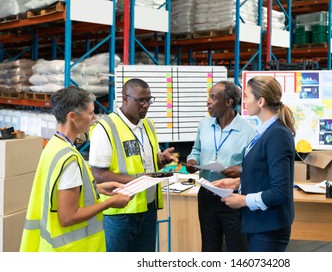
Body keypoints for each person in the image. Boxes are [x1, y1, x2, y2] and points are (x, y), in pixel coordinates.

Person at [20, 86, 132, 252]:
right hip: (73, 248)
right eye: (90, 113)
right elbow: (68, 217)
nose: (94, 118)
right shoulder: (70, 159)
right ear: (72, 116)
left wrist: (98, 188)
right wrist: (110, 203)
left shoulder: (53, 146)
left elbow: (58, 193)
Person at [88, 78, 178, 252]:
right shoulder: (105, 128)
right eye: (140, 100)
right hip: (120, 212)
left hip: (148, 207)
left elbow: (147, 163)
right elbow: (98, 173)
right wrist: (138, 181)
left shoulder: (148, 125)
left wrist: (161, 160)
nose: (146, 105)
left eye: (149, 100)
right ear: (125, 98)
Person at [213, 76, 296, 252]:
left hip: (269, 228)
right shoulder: (264, 131)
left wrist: (243, 200)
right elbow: (263, 171)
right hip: (259, 224)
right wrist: (237, 183)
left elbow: (280, 192)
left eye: (247, 96)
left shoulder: (277, 135)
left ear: (260, 101)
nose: (244, 101)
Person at [185, 81, 256, 252]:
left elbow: (255, 167)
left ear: (228, 102)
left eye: (213, 97)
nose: (208, 101)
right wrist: (192, 161)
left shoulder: (249, 131)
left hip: (233, 198)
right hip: (207, 195)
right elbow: (196, 150)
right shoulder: (204, 124)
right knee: (209, 248)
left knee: (237, 248)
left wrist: (239, 171)